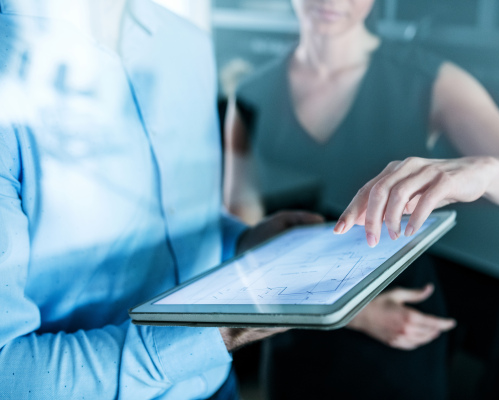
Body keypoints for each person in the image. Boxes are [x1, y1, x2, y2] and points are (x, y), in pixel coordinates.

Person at [224, 0, 499, 398]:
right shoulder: (249, 95)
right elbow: (246, 244)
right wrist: (351, 313)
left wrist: (483, 170)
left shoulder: (428, 78)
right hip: (296, 333)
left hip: (399, 330)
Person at [0, 0, 323, 398]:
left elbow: (177, 219)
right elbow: (7, 376)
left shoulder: (184, 42)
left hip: (218, 385)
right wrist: (221, 330)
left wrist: (242, 242)